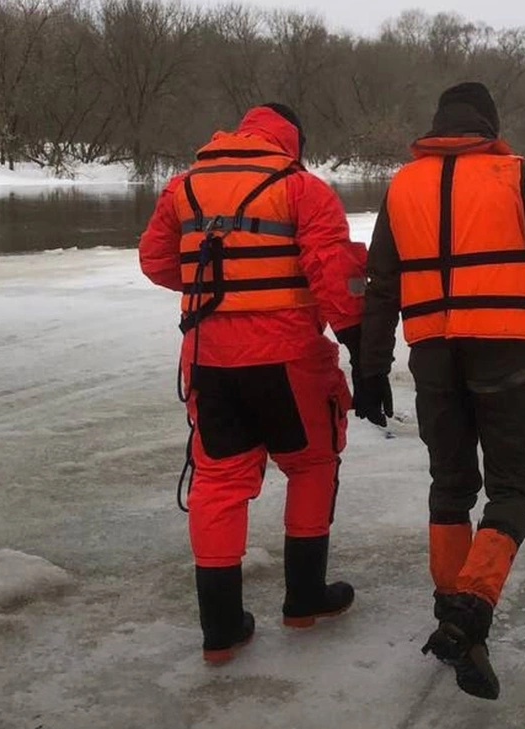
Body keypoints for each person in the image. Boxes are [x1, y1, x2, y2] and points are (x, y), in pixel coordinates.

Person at [358, 82, 525, 700]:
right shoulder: (516, 175)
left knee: (450, 486)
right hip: (506, 353)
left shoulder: (402, 185)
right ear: (489, 125)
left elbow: (380, 285)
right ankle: (467, 615)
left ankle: (454, 618)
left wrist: (372, 368)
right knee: (512, 487)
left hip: (433, 356)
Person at [139, 103, 378, 665]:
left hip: (209, 359)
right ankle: (304, 598)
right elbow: (334, 279)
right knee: (313, 463)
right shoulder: (302, 189)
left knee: (219, 483)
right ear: (292, 142)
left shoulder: (183, 187)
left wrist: (218, 282)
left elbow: (155, 261)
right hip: (288, 358)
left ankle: (221, 630)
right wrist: (361, 348)